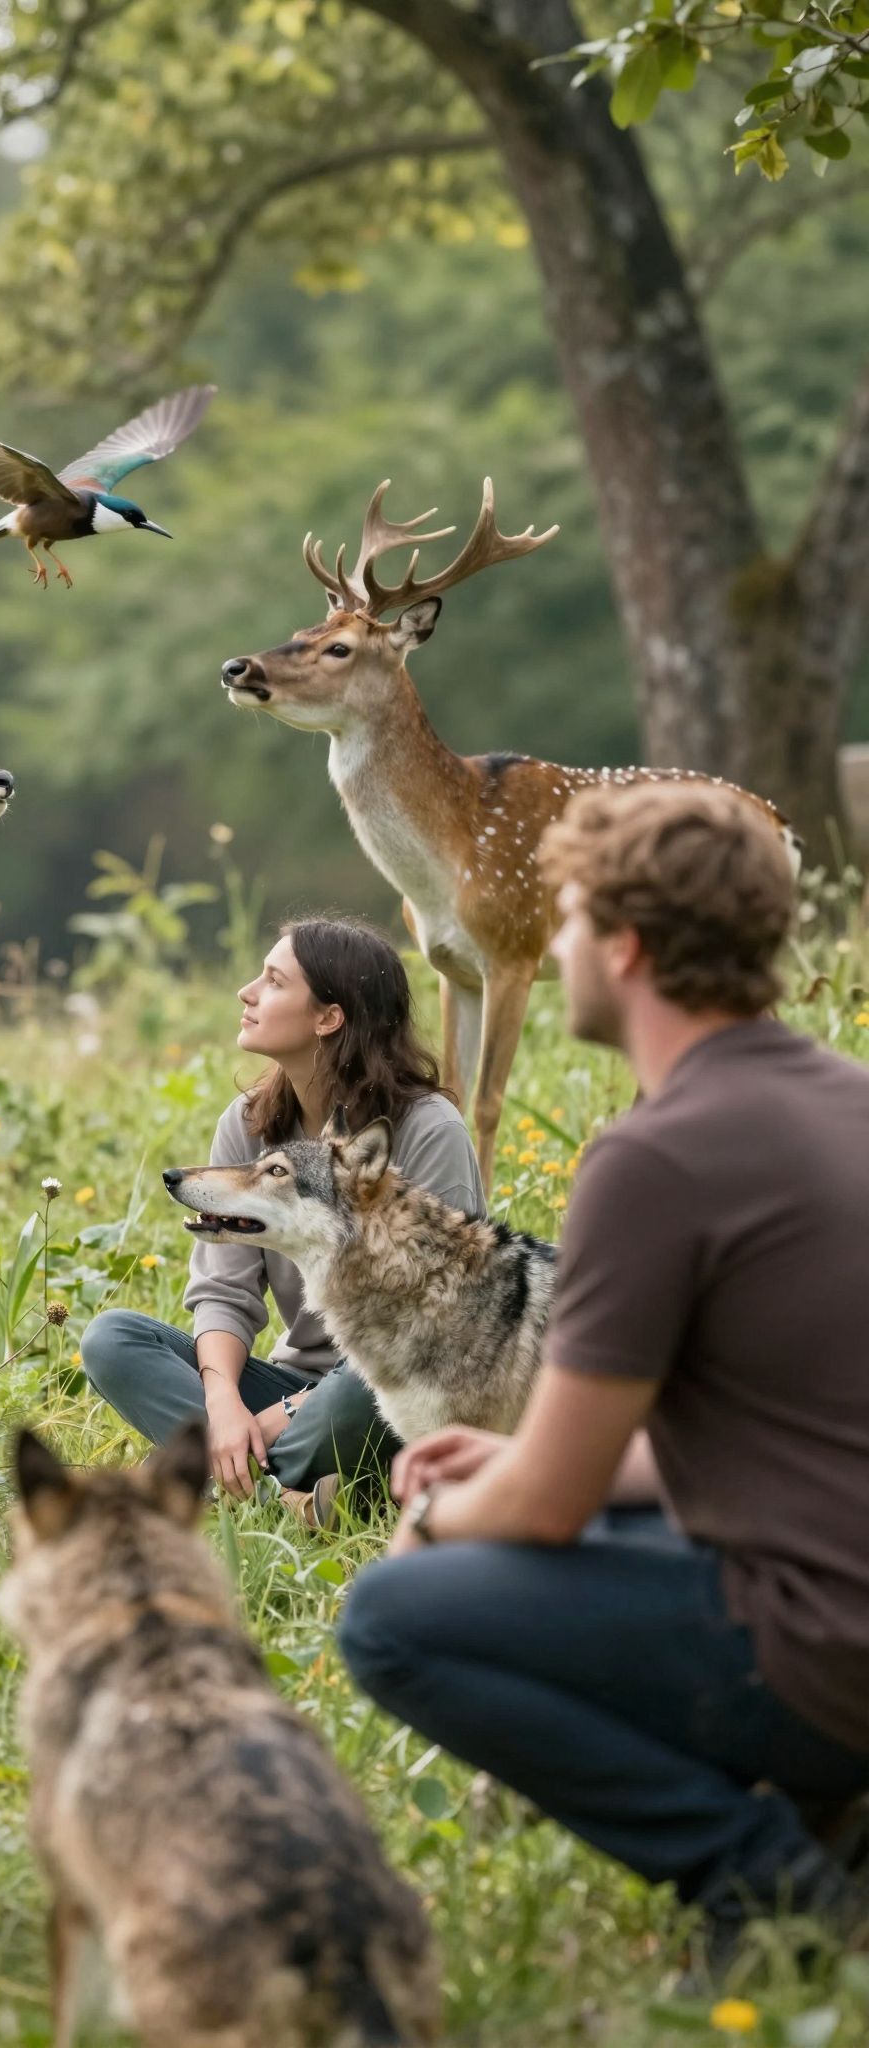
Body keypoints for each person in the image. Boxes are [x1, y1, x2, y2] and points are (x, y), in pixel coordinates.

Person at [339, 782, 869, 1971]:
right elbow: (777, 1438)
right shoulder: (849, 1103)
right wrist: (519, 1457)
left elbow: (543, 1508)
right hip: (833, 1587)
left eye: (570, 921)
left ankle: (764, 1875)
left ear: (623, 949)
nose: (556, 945)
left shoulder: (655, 1156)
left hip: (826, 1644)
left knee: (396, 1617)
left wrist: (437, 1508)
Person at [83, 916, 483, 1525]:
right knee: (112, 1340)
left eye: (272, 981)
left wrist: (283, 1417)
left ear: (329, 1016)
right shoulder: (247, 1124)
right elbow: (224, 1289)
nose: (246, 992)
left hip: (391, 1389)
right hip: (294, 1380)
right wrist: (222, 1407)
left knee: (361, 1388)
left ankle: (231, 1485)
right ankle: (288, 1499)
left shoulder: (430, 1131)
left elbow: (444, 1327)